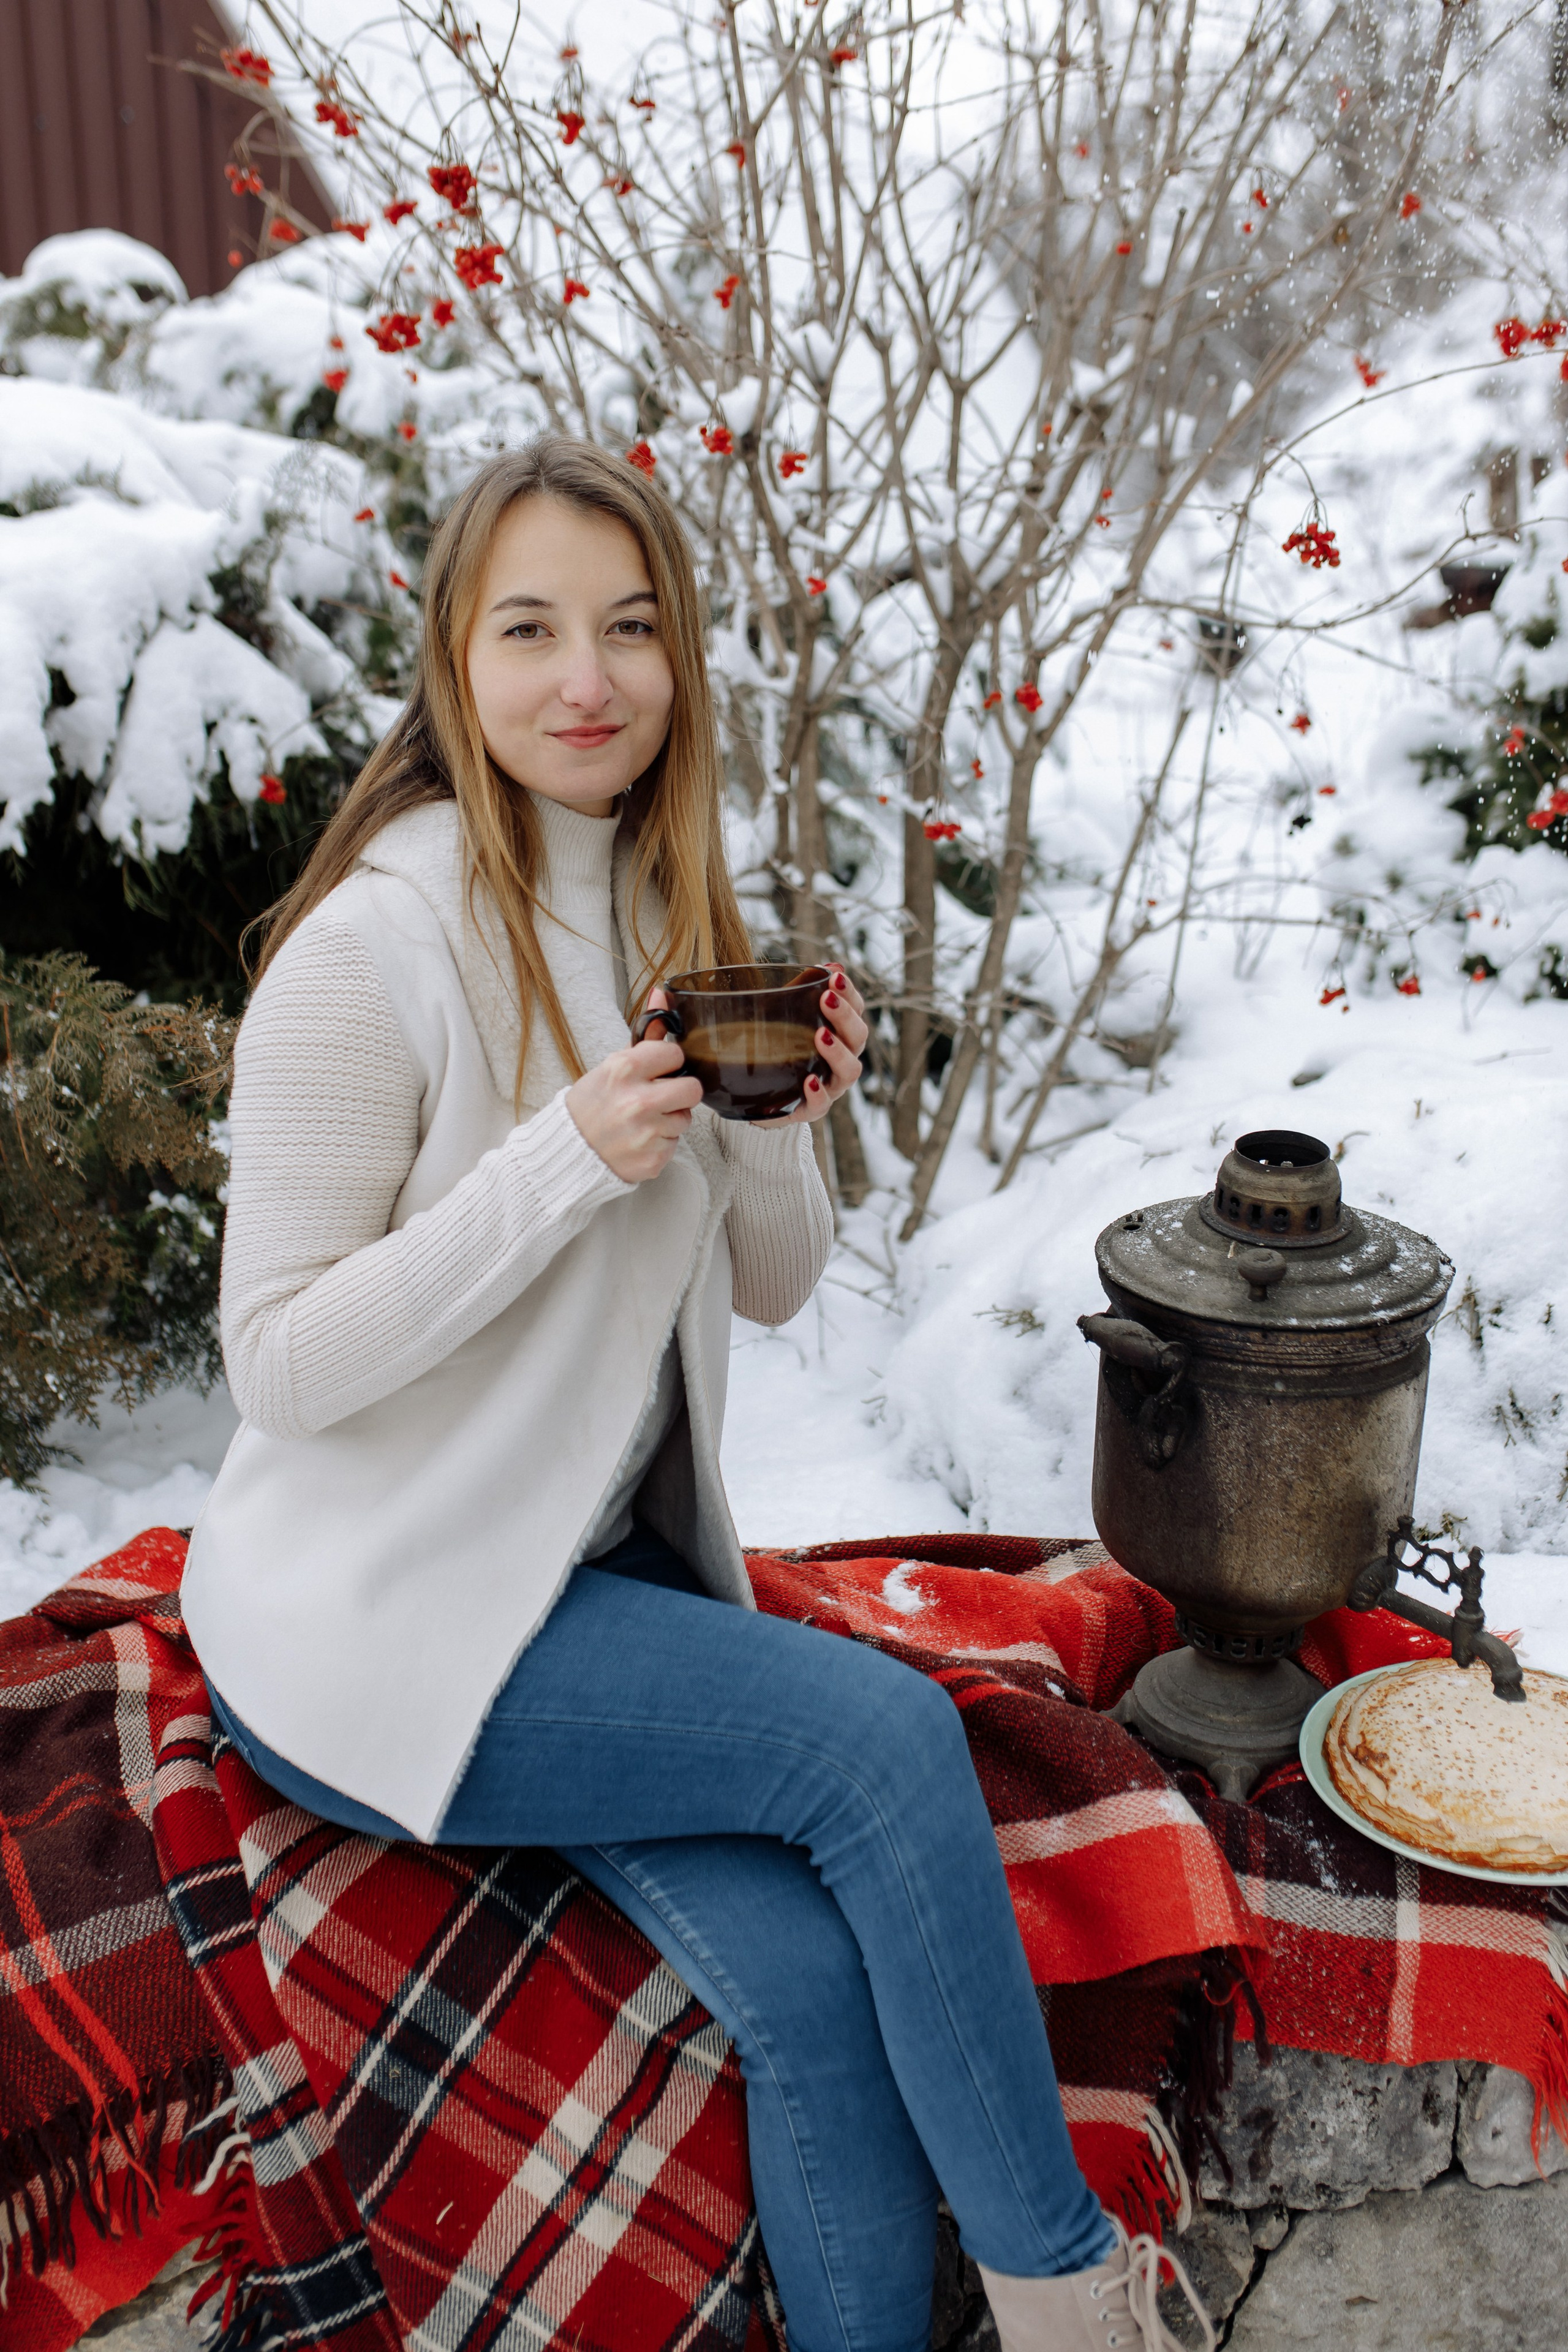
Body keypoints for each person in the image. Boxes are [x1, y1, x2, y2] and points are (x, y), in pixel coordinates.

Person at [181, 438, 1209, 2352]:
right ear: (452, 661)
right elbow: (280, 1359)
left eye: (634, 627)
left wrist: (763, 1133)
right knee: (881, 1751)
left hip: (571, 1583)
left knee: (814, 1989)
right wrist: (566, 1154)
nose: (592, 677)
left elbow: (773, 1278)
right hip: (382, 1621)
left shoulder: (661, 908)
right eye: (535, 629)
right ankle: (1081, 2306)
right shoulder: (374, 951)